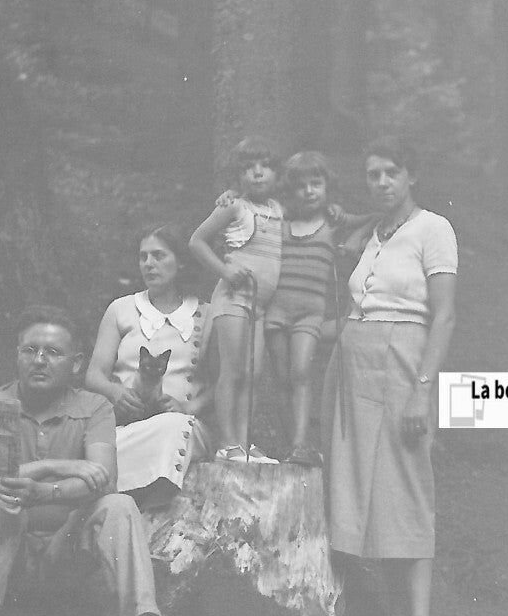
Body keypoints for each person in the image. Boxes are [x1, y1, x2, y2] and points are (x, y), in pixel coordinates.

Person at [0, 305, 180, 616]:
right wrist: (63, 467)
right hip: (3, 552)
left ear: (76, 364)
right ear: (17, 354)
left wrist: (42, 488)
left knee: (119, 504)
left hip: (66, 550)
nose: (39, 360)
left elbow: (103, 479)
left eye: (52, 353)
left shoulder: (94, 407)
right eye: (30, 350)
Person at [323, 139, 458, 616]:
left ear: (412, 175)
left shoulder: (434, 229)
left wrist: (422, 388)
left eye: (390, 173)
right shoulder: (373, 234)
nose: (380, 182)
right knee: (366, 484)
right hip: (355, 361)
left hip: (404, 363)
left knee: (407, 484)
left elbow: (443, 317)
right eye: (372, 174)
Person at [84, 224, 210, 508]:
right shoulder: (121, 308)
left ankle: (148, 498)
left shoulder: (206, 313)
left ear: (180, 261)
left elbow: (225, 382)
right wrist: (116, 393)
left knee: (174, 428)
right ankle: (119, 498)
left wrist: (189, 407)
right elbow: (93, 375)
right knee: (102, 445)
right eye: (143, 257)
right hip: (126, 425)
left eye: (158, 256)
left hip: (181, 427)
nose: (149, 264)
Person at [264, 150, 375, 467]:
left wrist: (353, 238)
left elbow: (374, 220)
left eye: (316, 183)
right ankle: (290, 445)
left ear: (327, 187)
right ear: (290, 190)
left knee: (301, 372)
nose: (310, 191)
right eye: (302, 186)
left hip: (309, 314)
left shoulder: (332, 223)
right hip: (276, 310)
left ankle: (300, 443)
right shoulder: (280, 222)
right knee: (282, 377)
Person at [189, 137, 284, 464]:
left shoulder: (278, 210)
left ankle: (244, 443)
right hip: (234, 299)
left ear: (276, 173)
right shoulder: (233, 206)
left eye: (265, 167)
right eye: (248, 168)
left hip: (260, 305)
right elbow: (197, 242)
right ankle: (228, 443)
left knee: (254, 374)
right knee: (232, 371)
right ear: (238, 176)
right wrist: (225, 271)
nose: (257, 174)